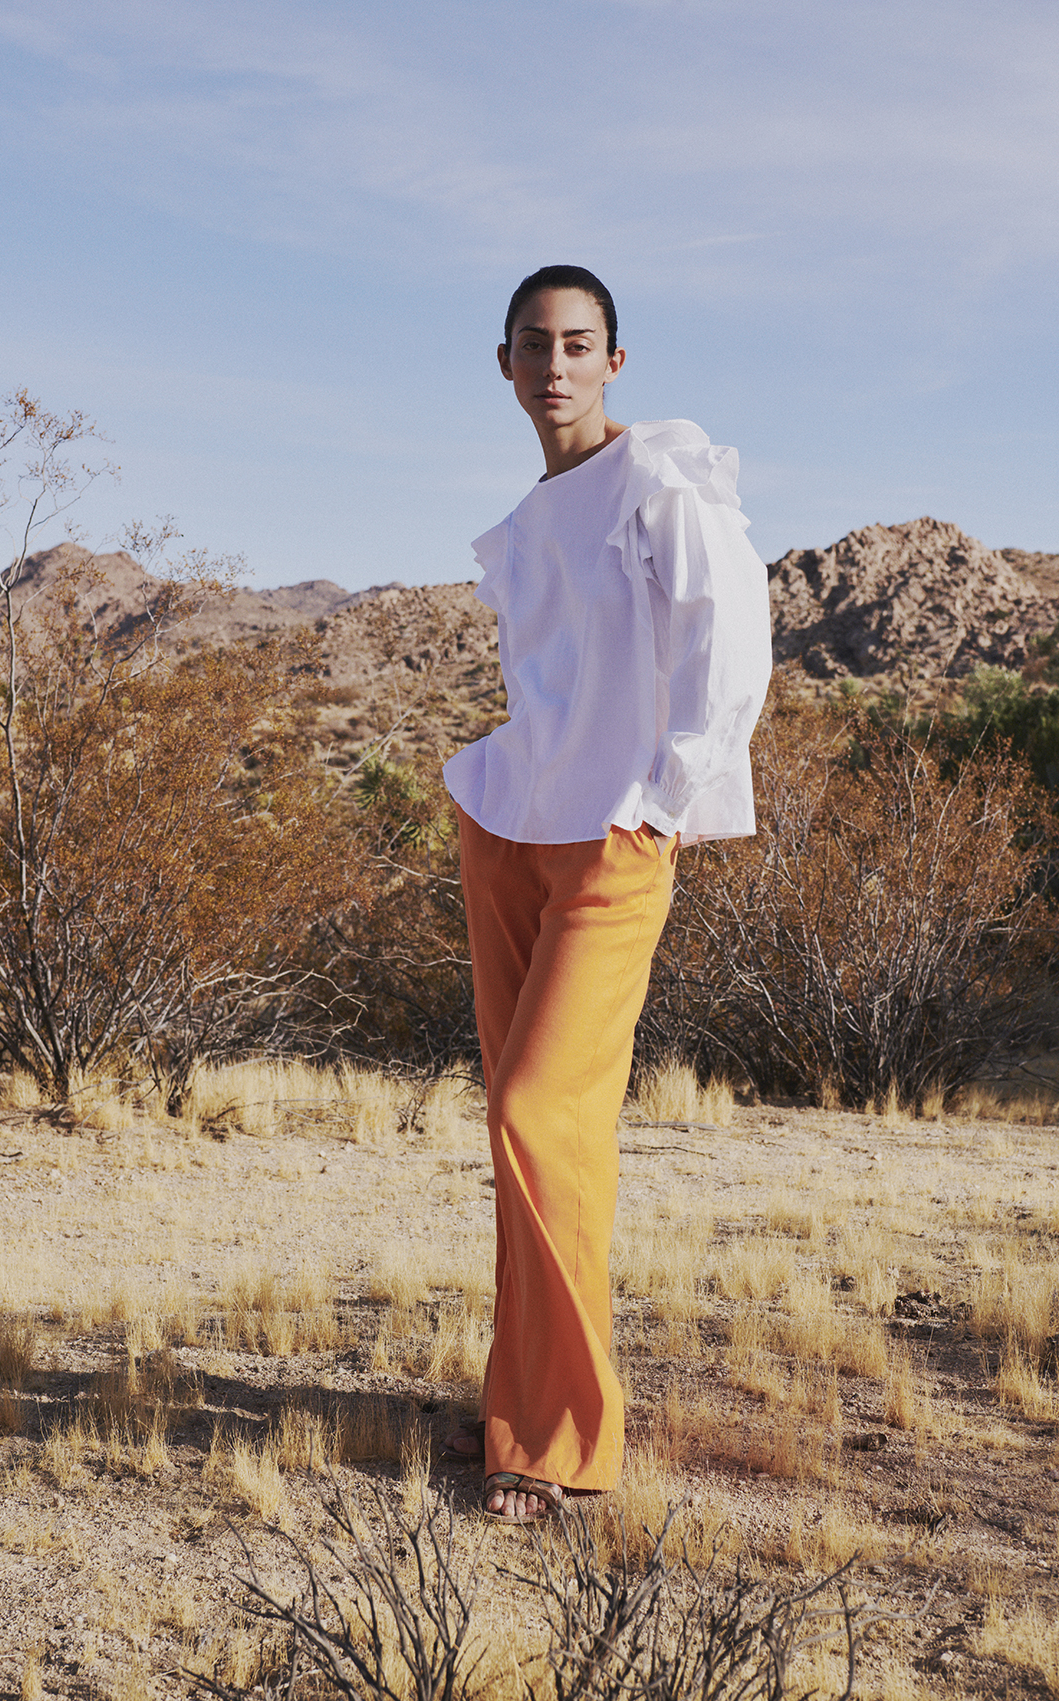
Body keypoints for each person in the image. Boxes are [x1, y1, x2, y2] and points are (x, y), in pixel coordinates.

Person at [441, 265, 772, 1523]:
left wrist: (666, 796)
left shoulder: (658, 478)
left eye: (580, 344)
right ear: (506, 364)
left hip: (613, 844)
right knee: (528, 1133)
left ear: (615, 361)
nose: (557, 366)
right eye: (535, 345)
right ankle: (520, 1407)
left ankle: (562, 1440)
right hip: (510, 829)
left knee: (541, 1111)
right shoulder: (533, 517)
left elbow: (729, 638)